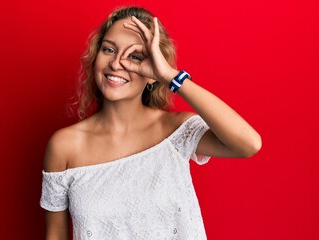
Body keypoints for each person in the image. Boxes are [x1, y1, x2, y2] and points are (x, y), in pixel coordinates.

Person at [40, 6, 261, 240]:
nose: (117, 63)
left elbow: (248, 144)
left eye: (135, 56)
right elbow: (56, 234)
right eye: (109, 49)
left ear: (153, 70)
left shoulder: (176, 132)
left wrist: (170, 76)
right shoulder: (64, 146)